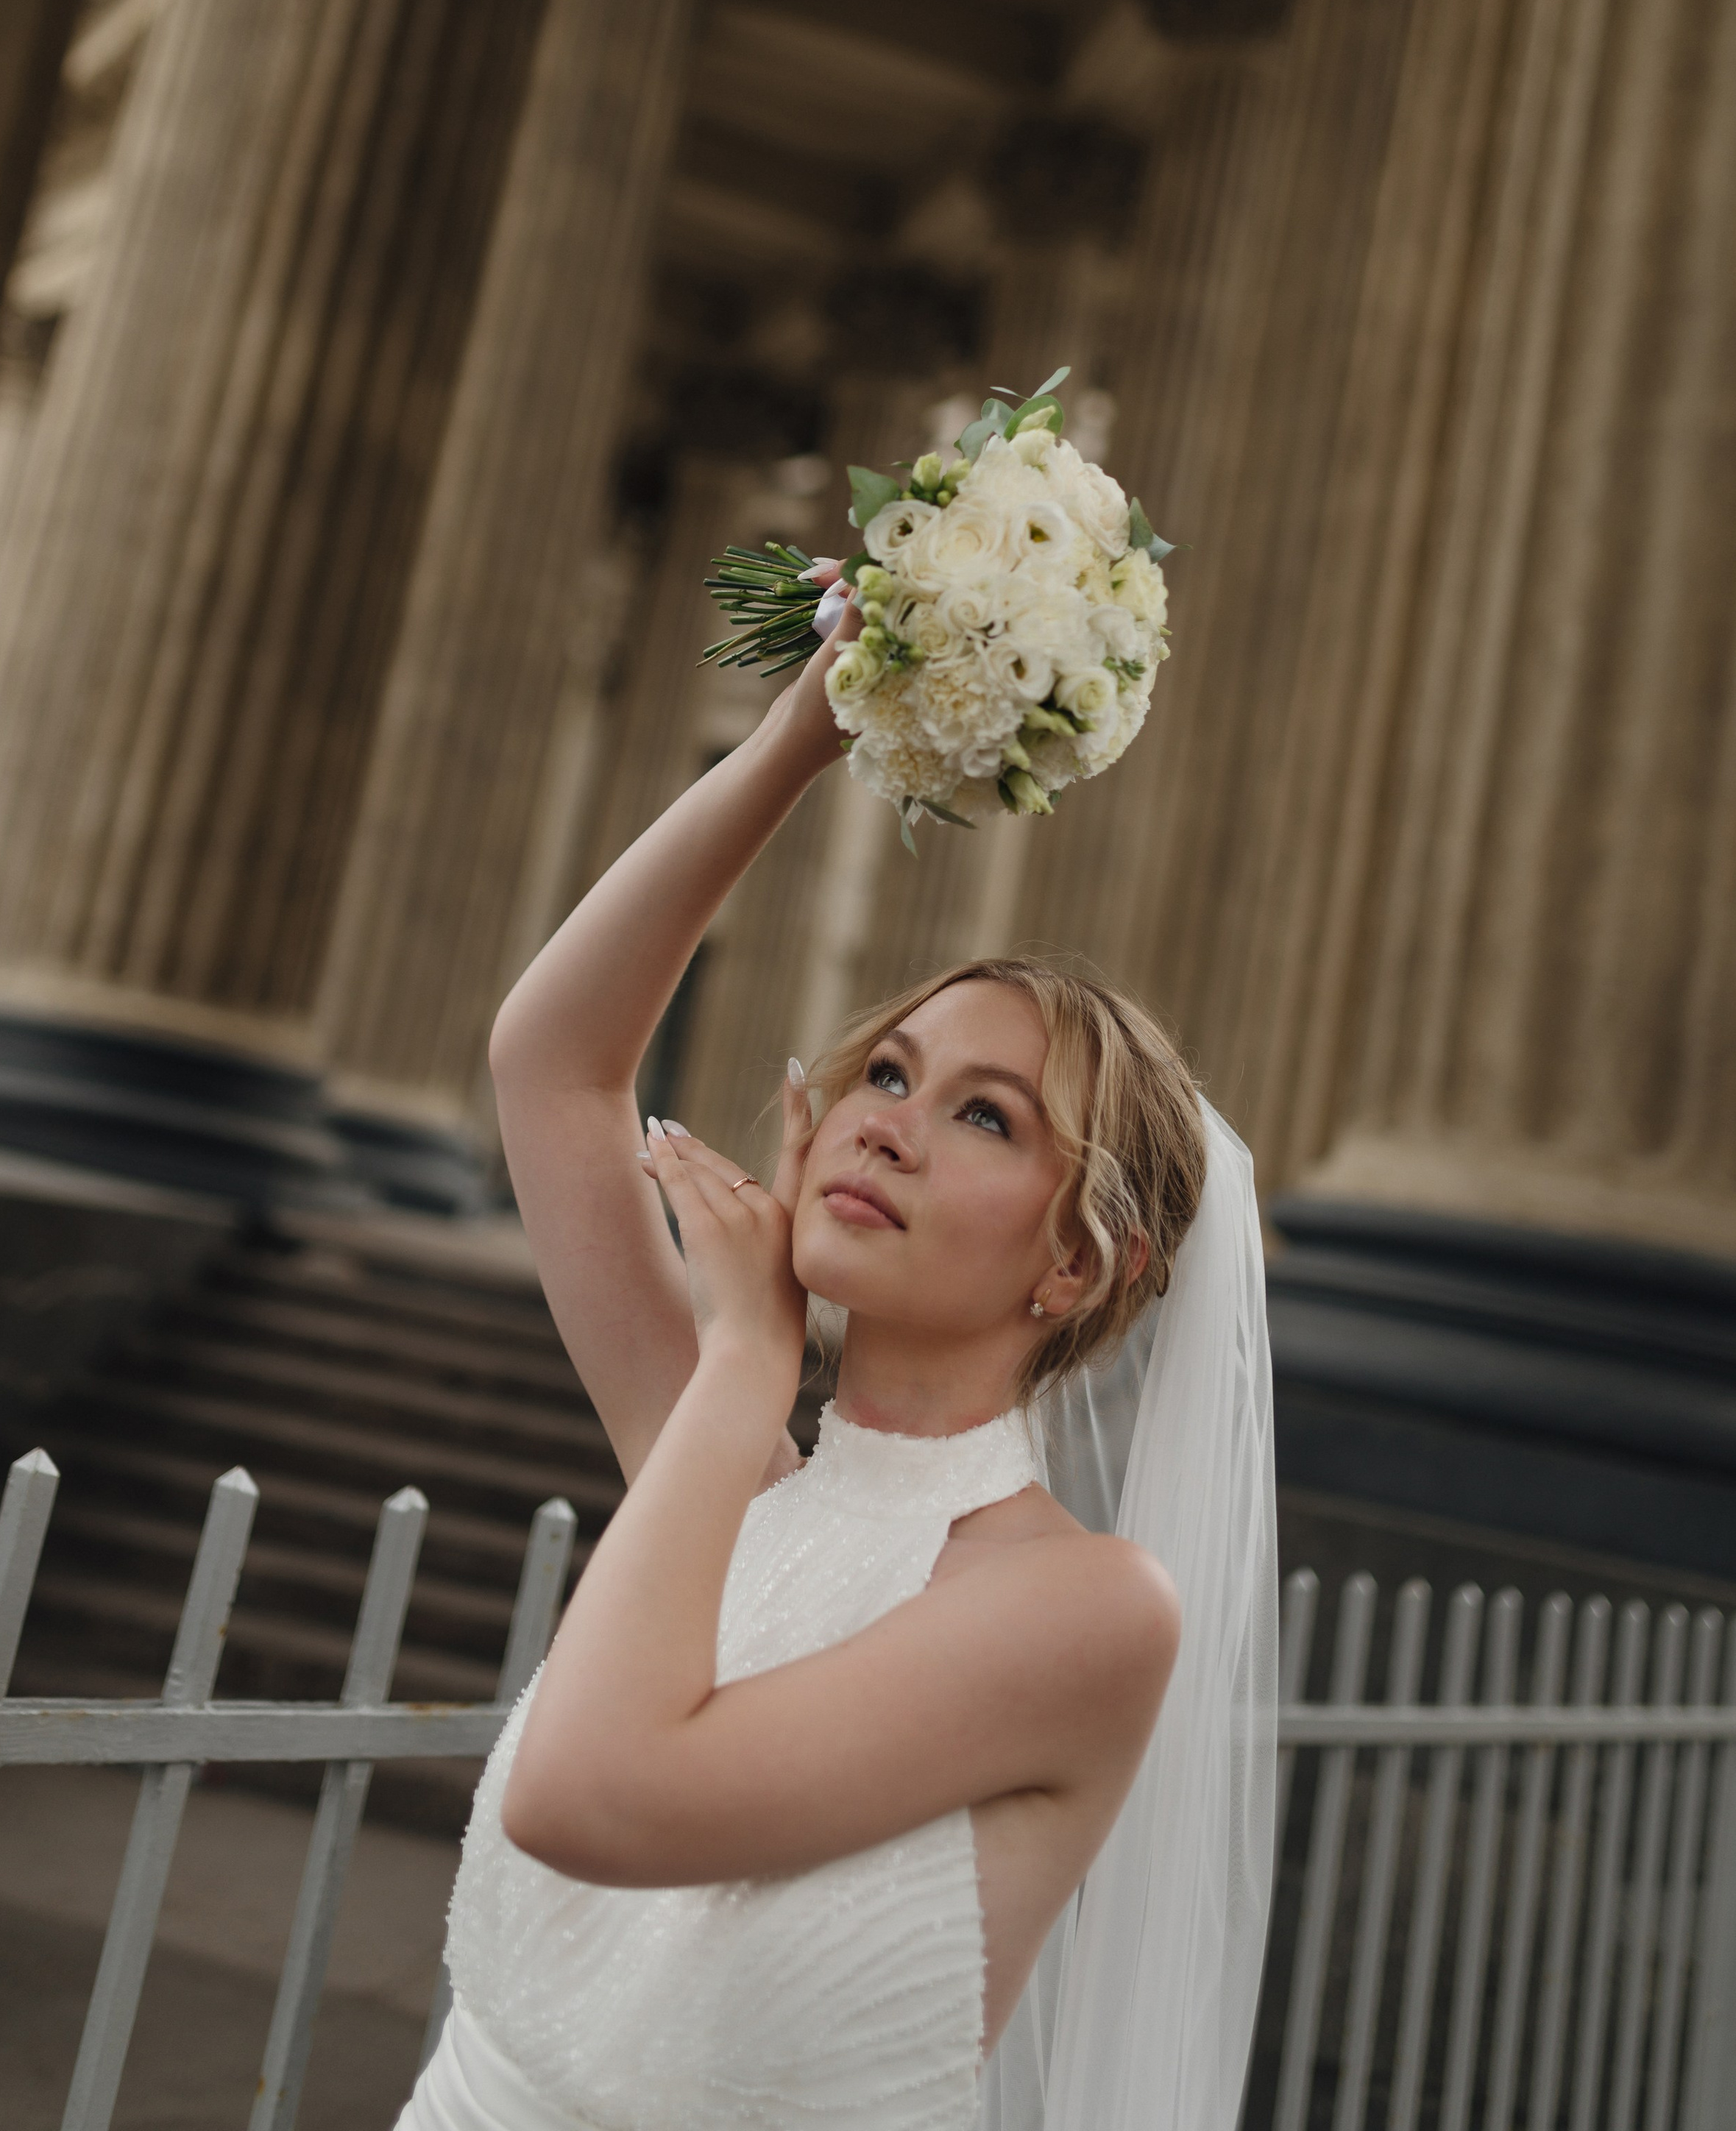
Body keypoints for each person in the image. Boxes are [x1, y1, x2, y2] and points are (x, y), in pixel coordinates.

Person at [396, 573, 1276, 2131]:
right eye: (887, 1071)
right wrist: (806, 734)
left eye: (984, 1114)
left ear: (1078, 1261)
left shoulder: (1086, 1607)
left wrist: (749, 1359)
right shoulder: (745, 1474)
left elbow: (586, 1799)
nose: (889, 1122)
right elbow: (551, 1065)